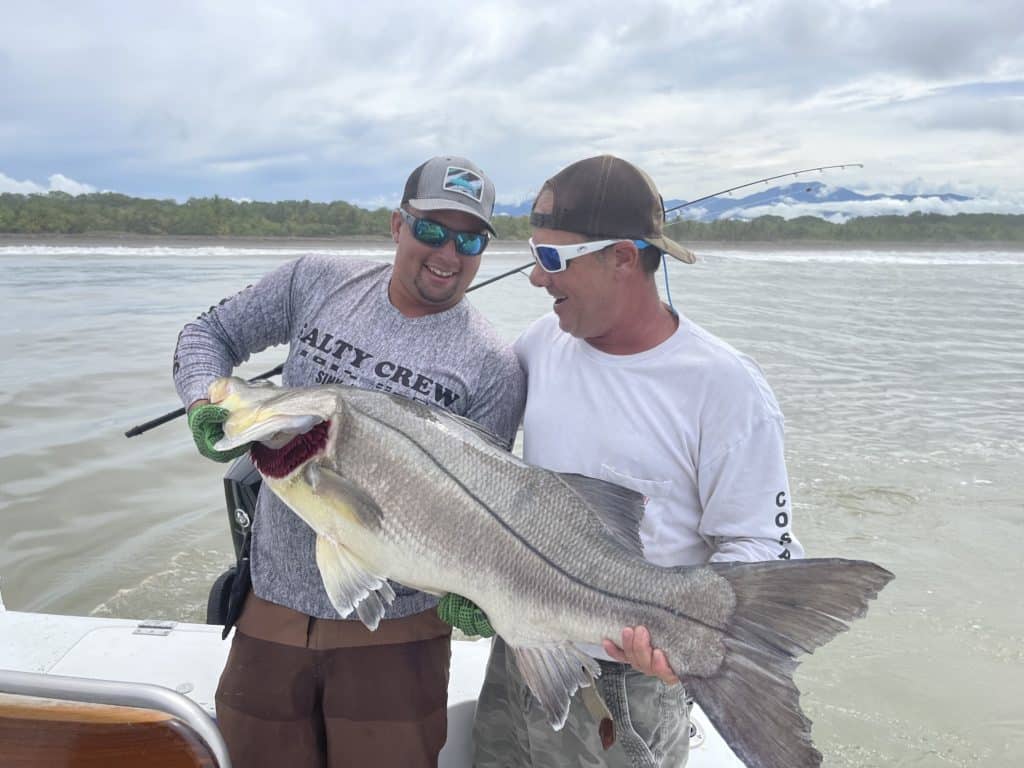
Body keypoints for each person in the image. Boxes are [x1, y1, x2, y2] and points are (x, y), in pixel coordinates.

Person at [172, 155, 526, 768]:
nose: (448, 252)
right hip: (273, 606)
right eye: (432, 230)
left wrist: (478, 592)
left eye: (468, 238)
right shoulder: (317, 280)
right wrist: (206, 399)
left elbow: (480, 509)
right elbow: (206, 334)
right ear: (397, 225)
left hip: (399, 634)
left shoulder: (493, 366)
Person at [470, 155, 804, 767]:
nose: (537, 281)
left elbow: (760, 546)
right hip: (521, 652)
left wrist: (686, 643)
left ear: (622, 257)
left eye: (551, 260)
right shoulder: (544, 344)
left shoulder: (725, 388)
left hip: (625, 690)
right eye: (532, 256)